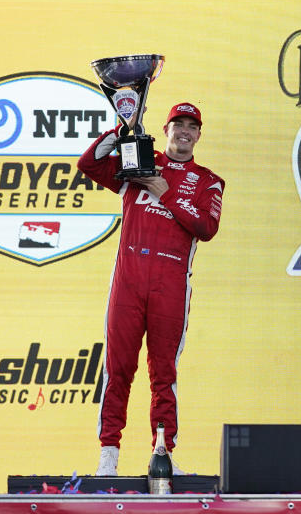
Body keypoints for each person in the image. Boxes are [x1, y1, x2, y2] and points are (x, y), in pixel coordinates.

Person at [78, 102, 224, 475]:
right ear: (167, 128)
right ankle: (108, 454)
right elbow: (89, 165)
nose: (185, 132)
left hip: (171, 286)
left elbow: (207, 229)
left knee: (164, 374)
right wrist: (121, 130)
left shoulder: (208, 181)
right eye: (179, 124)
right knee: (118, 369)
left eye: (192, 126)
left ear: (199, 135)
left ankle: (163, 452)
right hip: (128, 281)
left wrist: (165, 193)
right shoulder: (142, 159)